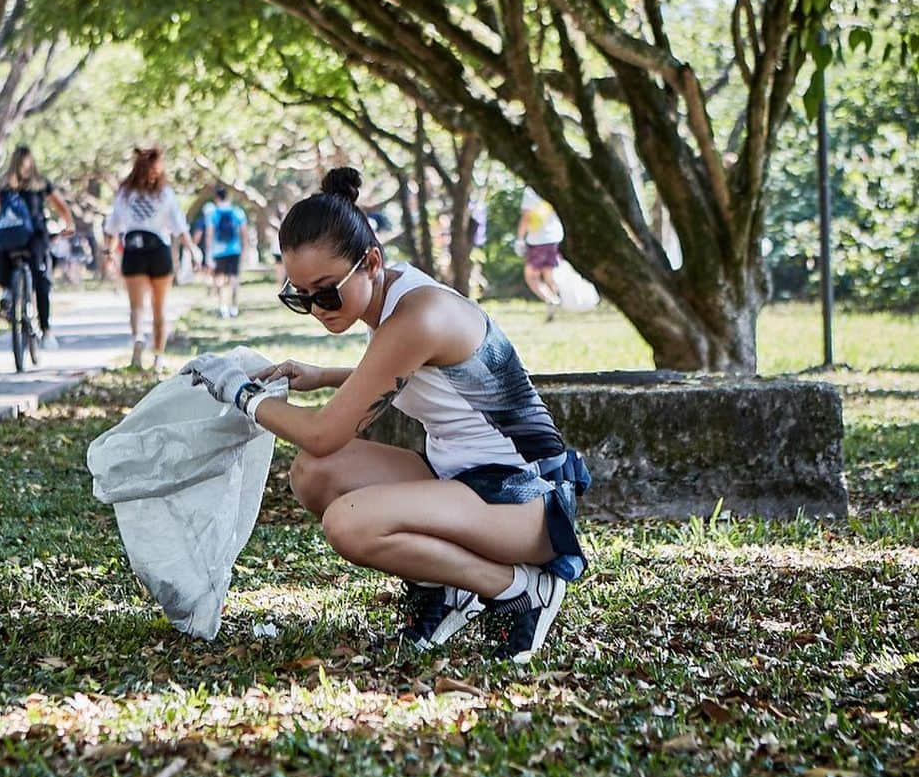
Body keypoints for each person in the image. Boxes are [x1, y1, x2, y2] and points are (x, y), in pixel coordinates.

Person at [183, 167, 590, 663]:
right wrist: (326, 374)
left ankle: (517, 588)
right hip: (463, 479)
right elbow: (420, 377)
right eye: (300, 296)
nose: (317, 308)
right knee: (314, 477)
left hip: (526, 499)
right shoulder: (391, 297)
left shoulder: (418, 316)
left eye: (327, 292)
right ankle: (444, 589)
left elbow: (323, 433)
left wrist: (242, 394)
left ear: (371, 262)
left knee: (349, 523)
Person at [104, 147, 199, 374]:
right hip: (159, 250)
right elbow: (179, 227)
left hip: (134, 250)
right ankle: (158, 357)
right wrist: (192, 249)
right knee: (159, 308)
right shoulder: (165, 193)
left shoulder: (125, 194)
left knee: (137, 307)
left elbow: (112, 227)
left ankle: (138, 338)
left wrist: (107, 253)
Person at [0, 146, 74, 350]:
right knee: (42, 278)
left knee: (2, 260)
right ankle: (46, 330)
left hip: (8, 239)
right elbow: (61, 207)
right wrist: (69, 225)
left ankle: (8, 294)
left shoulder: (3, 185)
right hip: (35, 238)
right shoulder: (40, 184)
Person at [515, 185, 565, 321]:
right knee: (549, 275)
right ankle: (553, 309)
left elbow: (526, 217)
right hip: (555, 237)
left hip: (538, 240)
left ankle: (551, 300)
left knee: (531, 276)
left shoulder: (531, 191)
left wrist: (519, 238)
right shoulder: (551, 187)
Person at [205, 186, 247, 319]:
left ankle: (222, 307)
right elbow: (244, 234)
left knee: (219, 280)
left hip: (218, 252)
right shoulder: (237, 212)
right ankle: (234, 307)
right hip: (235, 250)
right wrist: (245, 250)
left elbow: (209, 235)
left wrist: (208, 253)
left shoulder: (213, 213)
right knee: (234, 279)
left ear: (217, 198)